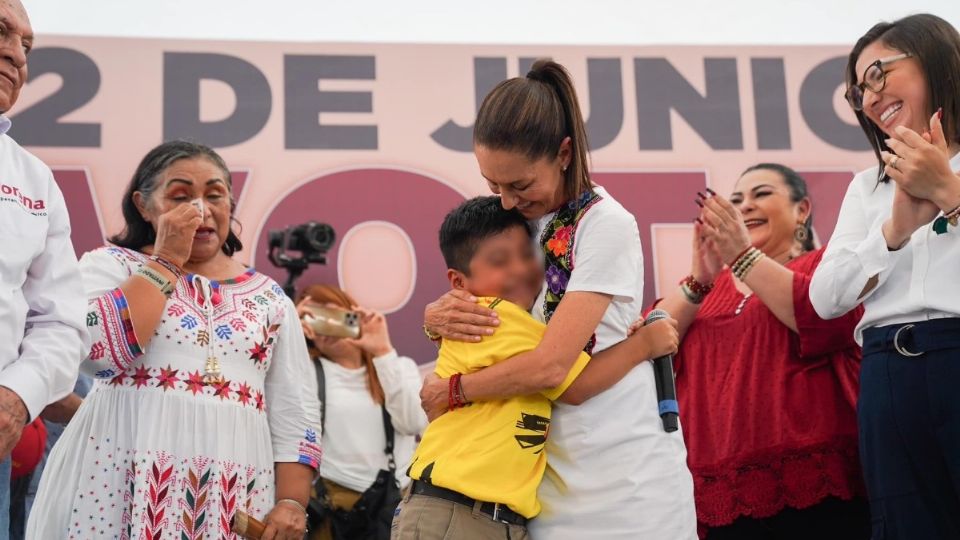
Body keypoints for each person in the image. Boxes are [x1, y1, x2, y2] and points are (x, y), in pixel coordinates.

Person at [420, 60, 697, 538]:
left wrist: (454, 391)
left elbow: (552, 369)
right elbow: (489, 311)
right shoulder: (517, 222)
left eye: (519, 184)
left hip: (623, 474)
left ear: (564, 153)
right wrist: (435, 316)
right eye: (493, 185)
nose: (506, 199)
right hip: (541, 485)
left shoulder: (604, 224)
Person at [27, 141, 322, 540]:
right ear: (144, 206)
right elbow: (99, 355)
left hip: (233, 496)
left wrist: (291, 502)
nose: (200, 209)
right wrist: (166, 261)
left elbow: (295, 409)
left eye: (215, 195)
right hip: (115, 486)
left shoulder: (269, 297)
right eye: (180, 196)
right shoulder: (110, 266)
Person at [396, 196, 680, 539]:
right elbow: (572, 381)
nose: (520, 269)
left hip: (482, 514)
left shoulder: (518, 318)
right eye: (500, 261)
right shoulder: (496, 317)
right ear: (458, 283)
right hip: (457, 511)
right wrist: (643, 345)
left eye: (527, 254)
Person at [650, 164, 868, 539]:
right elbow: (648, 344)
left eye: (761, 194)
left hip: (816, 489)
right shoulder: (706, 292)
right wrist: (699, 281)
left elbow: (822, 315)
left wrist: (743, 256)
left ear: (802, 210)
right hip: (719, 495)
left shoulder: (826, 267)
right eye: (736, 201)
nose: (745, 206)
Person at [810, 13, 960, 539]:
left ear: (936, 59)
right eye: (858, 91)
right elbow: (825, 298)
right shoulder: (866, 188)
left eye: (879, 74)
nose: (870, 98)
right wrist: (893, 231)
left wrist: (950, 196)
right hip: (887, 373)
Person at [0, 1, 89, 537]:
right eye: (1, 32)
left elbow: (60, 323)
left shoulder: (33, 179)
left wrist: (16, 398)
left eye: (26, 45)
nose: (15, 53)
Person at [296, 284, 427, 540]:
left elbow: (414, 422)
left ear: (352, 312)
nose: (326, 327)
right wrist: (289, 332)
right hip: (334, 504)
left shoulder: (397, 366)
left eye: (333, 315)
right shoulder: (306, 371)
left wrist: (382, 350)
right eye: (314, 318)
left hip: (394, 504)